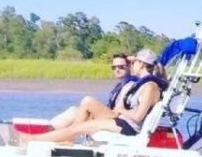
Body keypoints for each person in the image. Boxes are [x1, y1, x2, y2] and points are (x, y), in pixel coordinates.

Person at [20, 49, 168, 144]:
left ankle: (32, 140)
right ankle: (54, 138)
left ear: (141, 64)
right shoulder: (144, 84)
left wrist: (121, 110)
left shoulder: (150, 86)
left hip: (128, 127)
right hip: (122, 121)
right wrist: (120, 111)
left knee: (78, 127)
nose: (131, 65)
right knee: (78, 123)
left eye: (134, 62)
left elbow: (138, 116)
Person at [48, 53, 136, 129]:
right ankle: (51, 130)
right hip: (111, 114)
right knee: (74, 110)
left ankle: (69, 134)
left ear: (129, 66)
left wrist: (132, 60)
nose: (117, 70)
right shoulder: (120, 85)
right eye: (114, 67)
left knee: (88, 101)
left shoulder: (131, 84)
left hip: (118, 119)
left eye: (121, 67)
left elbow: (118, 111)